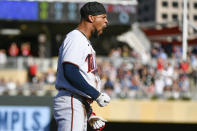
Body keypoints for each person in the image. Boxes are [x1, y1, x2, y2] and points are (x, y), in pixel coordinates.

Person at [53, 2, 110, 131]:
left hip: (78, 102)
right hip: (72, 101)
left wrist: (89, 113)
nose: (106, 21)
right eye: (104, 17)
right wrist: (97, 95)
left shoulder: (83, 41)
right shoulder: (75, 38)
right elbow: (70, 71)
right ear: (91, 18)